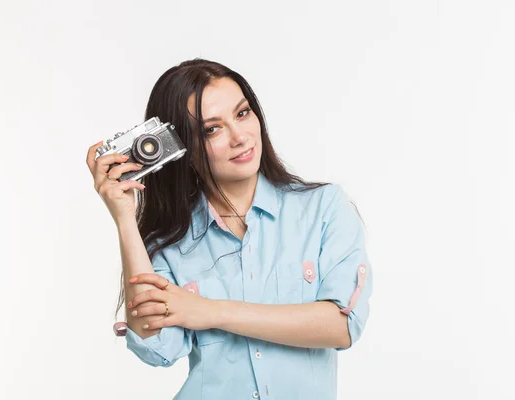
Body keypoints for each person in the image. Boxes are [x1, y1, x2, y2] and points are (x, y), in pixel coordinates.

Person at [86, 59, 373, 399]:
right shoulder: (171, 244)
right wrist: (124, 218)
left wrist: (210, 310)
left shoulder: (323, 208)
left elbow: (341, 326)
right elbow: (157, 348)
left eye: (242, 113)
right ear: (183, 148)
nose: (240, 137)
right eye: (212, 129)